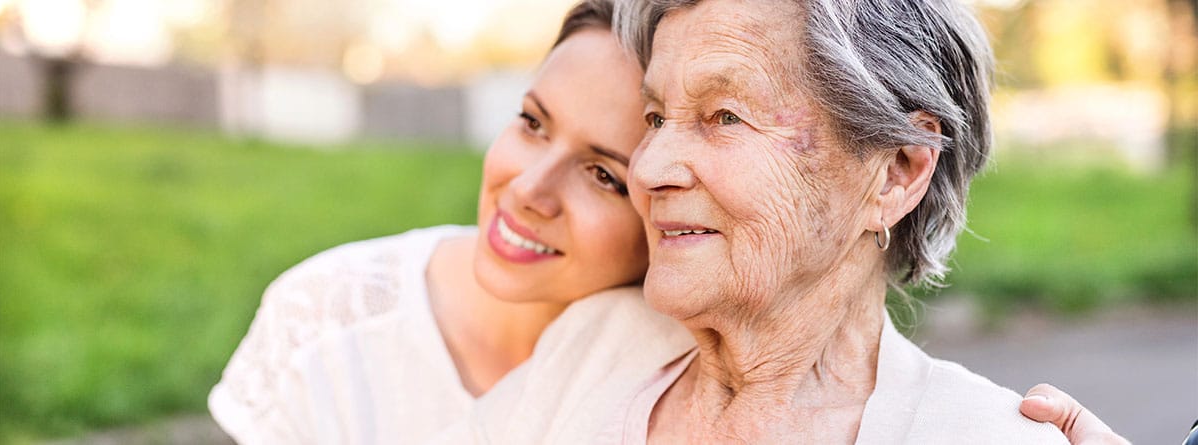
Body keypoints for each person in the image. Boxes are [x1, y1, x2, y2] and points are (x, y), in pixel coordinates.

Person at [210, 0, 1124, 443]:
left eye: (723, 116)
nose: (649, 167)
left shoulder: (984, 439)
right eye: (654, 118)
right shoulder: (594, 345)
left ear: (897, 170)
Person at [207, 2, 658, 442]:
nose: (527, 190)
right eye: (532, 123)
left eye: (604, 176)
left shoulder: (679, 369)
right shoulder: (325, 320)